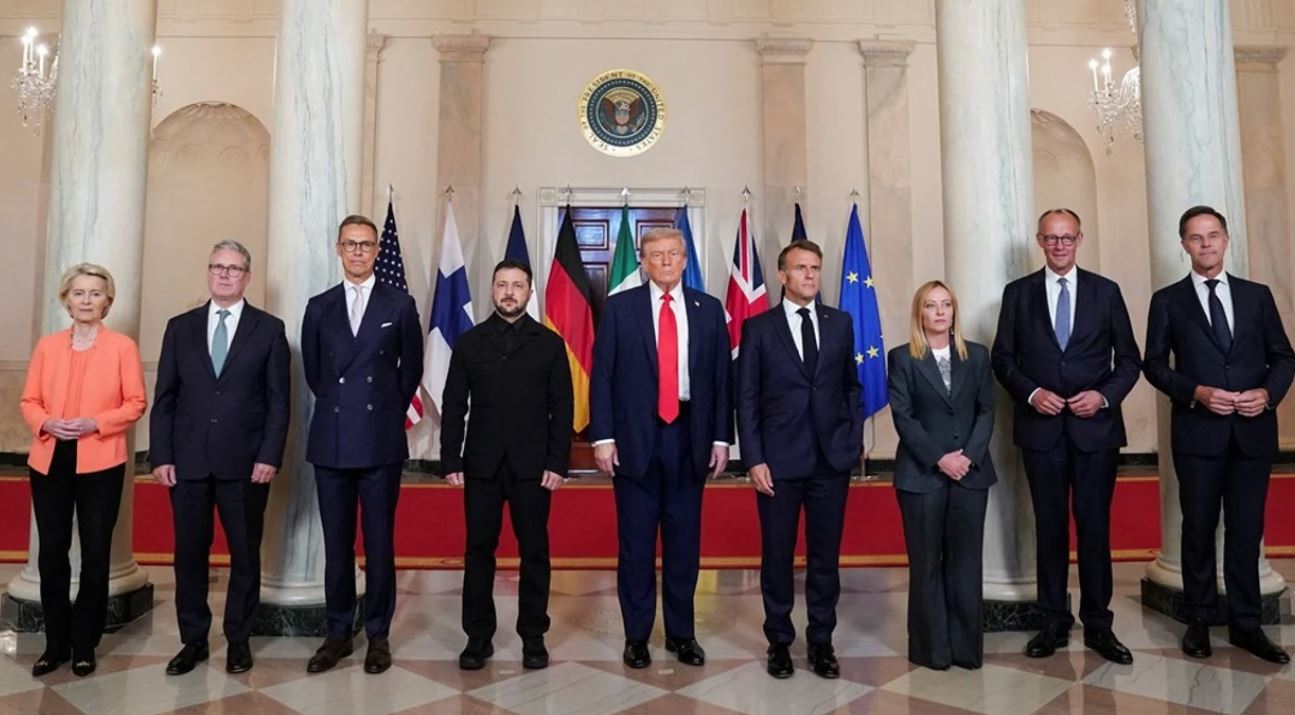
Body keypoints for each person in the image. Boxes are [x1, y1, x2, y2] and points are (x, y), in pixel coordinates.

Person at [1144, 205, 1294, 665]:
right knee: (1198, 529)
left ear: (1226, 240)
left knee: (1247, 531)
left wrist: (1266, 395)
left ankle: (1247, 624)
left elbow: (1283, 357)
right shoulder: (1167, 300)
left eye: (1213, 235)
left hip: (1252, 433)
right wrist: (1197, 392)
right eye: (1196, 237)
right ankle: (1199, 618)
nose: (1205, 244)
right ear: (1184, 245)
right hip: (1198, 433)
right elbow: (1153, 365)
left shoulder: (1257, 296)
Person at [991, 208, 1141, 664]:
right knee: (1050, 527)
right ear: (1040, 241)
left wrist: (1103, 396)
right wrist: (1032, 393)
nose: (1059, 245)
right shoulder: (1018, 294)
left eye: (1067, 238)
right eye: (1051, 238)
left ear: (1080, 240)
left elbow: (1129, 360)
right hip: (1041, 432)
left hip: (1096, 432)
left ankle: (1098, 624)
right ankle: (1053, 621)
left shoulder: (1105, 291)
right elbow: (1002, 359)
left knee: (1095, 528)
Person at [590, 227, 732, 669]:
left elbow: (721, 379)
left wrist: (721, 437)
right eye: (657, 255)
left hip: (689, 436)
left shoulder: (709, 309)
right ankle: (636, 636)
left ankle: (681, 634)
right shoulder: (620, 308)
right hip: (635, 439)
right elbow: (603, 375)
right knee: (636, 545)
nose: (666, 261)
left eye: (673, 254)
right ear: (644, 262)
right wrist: (603, 437)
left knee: (684, 544)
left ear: (685, 260)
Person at [150, 240, 290, 676]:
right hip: (187, 462)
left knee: (244, 555)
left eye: (234, 268)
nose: (225, 275)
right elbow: (165, 398)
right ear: (208, 272)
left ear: (247, 276)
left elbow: (278, 401)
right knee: (189, 555)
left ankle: (238, 639)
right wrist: (160, 455)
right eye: (217, 267)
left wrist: (269, 455)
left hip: (246, 464)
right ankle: (192, 640)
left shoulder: (269, 329)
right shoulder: (180, 327)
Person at [301, 214, 424, 674]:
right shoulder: (319, 306)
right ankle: (337, 633)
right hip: (331, 438)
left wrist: (383, 410)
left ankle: (377, 635)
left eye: (366, 244)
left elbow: (411, 369)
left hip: (379, 439)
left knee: (379, 544)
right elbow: (315, 374)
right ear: (338, 249)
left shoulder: (400, 304)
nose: (358, 251)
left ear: (377, 251)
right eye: (350, 244)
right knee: (337, 545)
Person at [736, 240, 862, 679]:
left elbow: (851, 386)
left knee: (825, 557)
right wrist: (753, 459)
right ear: (782, 275)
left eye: (815, 268)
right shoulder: (758, 328)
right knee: (777, 556)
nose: (810, 275)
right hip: (778, 462)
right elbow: (747, 398)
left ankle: (822, 641)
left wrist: (851, 437)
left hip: (831, 460)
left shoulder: (840, 323)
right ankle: (779, 642)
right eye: (801, 268)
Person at [441, 259, 573, 671]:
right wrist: (450, 457)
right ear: (492, 290)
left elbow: (562, 408)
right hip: (481, 464)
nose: (509, 292)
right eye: (502, 284)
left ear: (529, 292)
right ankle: (477, 637)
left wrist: (558, 461)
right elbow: (453, 403)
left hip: (533, 466)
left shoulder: (549, 344)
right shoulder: (470, 342)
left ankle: (533, 636)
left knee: (535, 551)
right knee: (478, 551)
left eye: (517, 285)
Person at [20, 263, 147, 678]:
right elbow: (29, 401)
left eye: (95, 293)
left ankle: (84, 644)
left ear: (107, 301)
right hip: (49, 458)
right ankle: (55, 642)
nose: (86, 300)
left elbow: (135, 402)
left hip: (101, 460)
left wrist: (96, 422)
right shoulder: (47, 347)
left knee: (95, 553)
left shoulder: (122, 347)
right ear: (66, 300)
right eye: (78, 293)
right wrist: (45, 422)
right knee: (51, 553)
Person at [887, 280, 995, 671]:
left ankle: (966, 649)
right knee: (926, 564)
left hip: (971, 473)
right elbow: (904, 417)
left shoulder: (976, 355)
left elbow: (987, 410)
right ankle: (932, 650)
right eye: (931, 305)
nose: (939, 312)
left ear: (954, 311)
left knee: (966, 563)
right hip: (921, 475)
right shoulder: (902, 358)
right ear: (919, 312)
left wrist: (967, 457)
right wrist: (939, 459)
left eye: (946, 305)